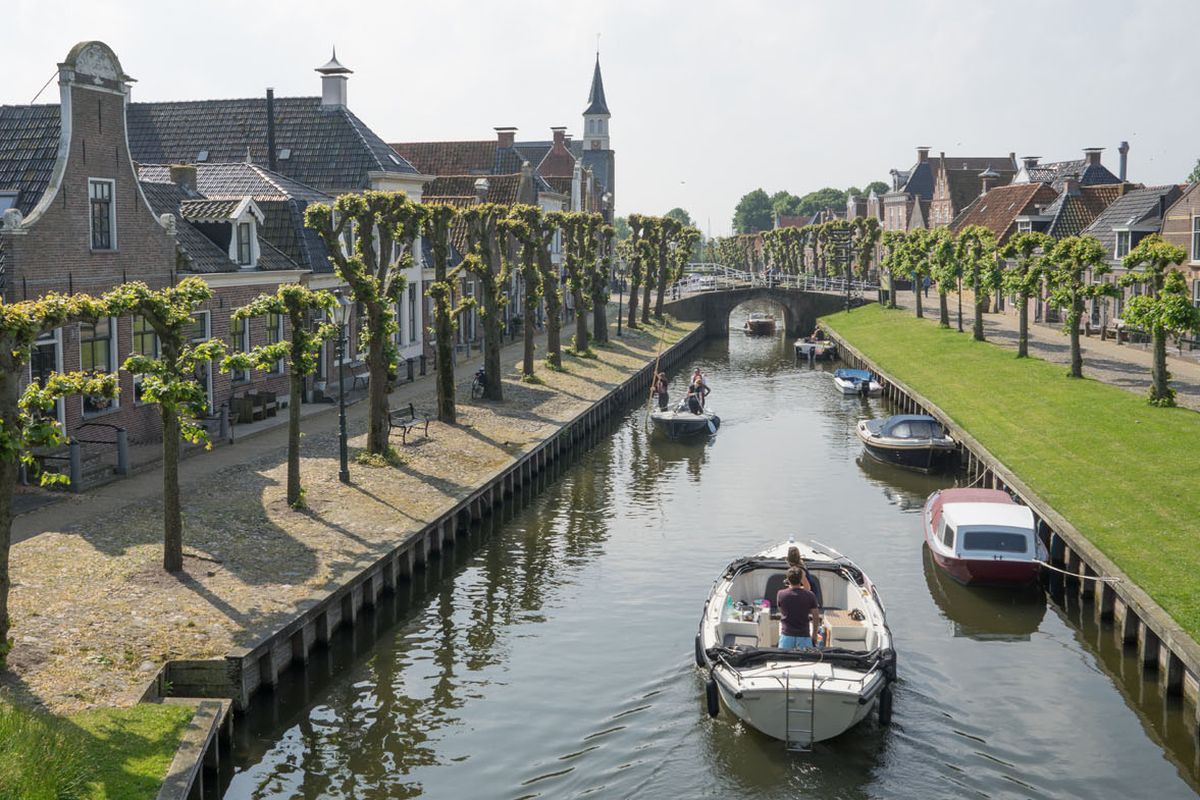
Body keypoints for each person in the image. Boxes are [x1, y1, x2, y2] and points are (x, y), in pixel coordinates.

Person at [776, 568, 821, 650]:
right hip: (804, 636)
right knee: (807, 661)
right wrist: (814, 634)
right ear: (801, 579)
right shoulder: (810, 595)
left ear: (788, 580)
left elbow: (781, 610)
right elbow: (816, 616)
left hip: (786, 636)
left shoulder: (781, 594)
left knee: (782, 661)